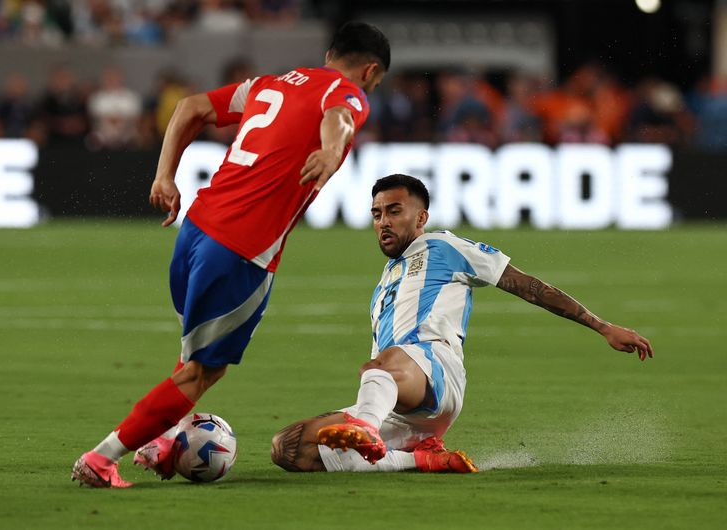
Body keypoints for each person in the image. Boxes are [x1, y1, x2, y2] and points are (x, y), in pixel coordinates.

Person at [71, 21, 390, 488]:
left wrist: (164, 175)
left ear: (328, 52)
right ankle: (103, 458)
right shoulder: (348, 92)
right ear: (370, 70)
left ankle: (162, 439)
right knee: (202, 371)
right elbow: (340, 117)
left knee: (192, 355)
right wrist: (331, 148)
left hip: (196, 229)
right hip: (242, 249)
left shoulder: (270, 84)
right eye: (375, 82)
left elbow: (190, 107)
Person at [270, 174, 654, 473]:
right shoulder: (386, 279)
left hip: (435, 373)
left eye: (394, 211)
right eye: (377, 213)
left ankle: (365, 425)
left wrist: (601, 326)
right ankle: (420, 460)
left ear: (421, 217)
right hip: (399, 403)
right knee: (287, 448)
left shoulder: (444, 247)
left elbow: (529, 286)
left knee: (383, 363)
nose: (383, 221)